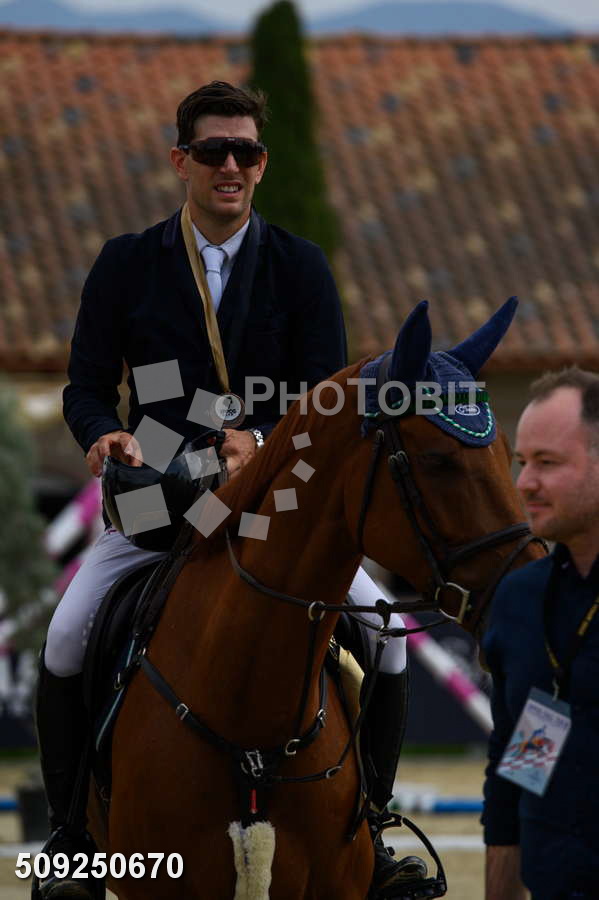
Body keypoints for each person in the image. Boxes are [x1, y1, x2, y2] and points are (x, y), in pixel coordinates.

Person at [36, 81, 413, 899]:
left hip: (276, 502)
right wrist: (102, 433)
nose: (230, 165)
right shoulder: (127, 262)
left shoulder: (300, 266)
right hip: (159, 502)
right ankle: (71, 841)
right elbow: (85, 387)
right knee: (65, 639)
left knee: (390, 641)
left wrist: (268, 442)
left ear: (262, 164)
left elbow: (326, 398)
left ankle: (374, 831)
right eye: (214, 151)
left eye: (246, 151)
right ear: (182, 161)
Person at [482, 367, 599, 900]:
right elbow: (518, 771)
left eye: (547, 463)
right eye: (522, 462)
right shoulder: (521, 600)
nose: (524, 482)